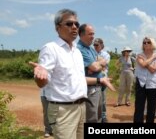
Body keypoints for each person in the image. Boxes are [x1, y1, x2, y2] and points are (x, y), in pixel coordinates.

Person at [29, 9, 115, 139]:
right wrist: (40, 76)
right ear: (58, 28)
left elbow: (79, 79)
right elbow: (42, 83)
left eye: (76, 24)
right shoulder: (51, 49)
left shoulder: (76, 51)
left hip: (81, 107)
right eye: (69, 24)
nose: (74, 27)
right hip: (64, 111)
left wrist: (99, 81)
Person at [77, 24, 108, 123]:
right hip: (89, 88)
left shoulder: (90, 48)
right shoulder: (79, 49)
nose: (93, 36)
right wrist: (96, 66)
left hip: (97, 87)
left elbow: (103, 61)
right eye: (90, 34)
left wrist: (96, 65)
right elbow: (95, 67)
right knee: (91, 117)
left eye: (93, 34)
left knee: (98, 116)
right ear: (81, 35)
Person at [133, 37, 156, 123]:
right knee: (139, 107)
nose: (146, 44)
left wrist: (145, 62)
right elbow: (142, 64)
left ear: (152, 44)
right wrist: (152, 58)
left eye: (148, 42)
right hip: (141, 83)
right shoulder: (140, 55)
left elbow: (153, 70)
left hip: (154, 84)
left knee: (152, 108)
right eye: (144, 42)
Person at [93, 38, 110, 123]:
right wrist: (98, 63)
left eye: (97, 45)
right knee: (93, 98)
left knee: (102, 99)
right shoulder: (91, 53)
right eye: (94, 45)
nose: (95, 46)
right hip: (92, 78)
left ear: (101, 45)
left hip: (103, 78)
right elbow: (91, 65)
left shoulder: (106, 54)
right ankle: (95, 116)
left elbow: (103, 64)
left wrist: (95, 64)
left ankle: (103, 116)